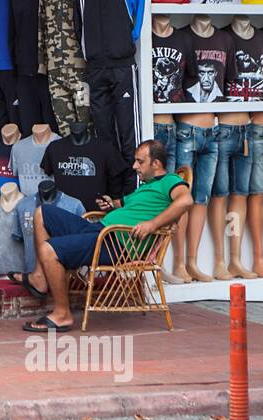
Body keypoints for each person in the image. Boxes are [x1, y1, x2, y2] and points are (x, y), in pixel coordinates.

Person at [22, 139, 193, 332]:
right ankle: (40, 278)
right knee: (43, 212)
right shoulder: (145, 187)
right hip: (100, 231)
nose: (134, 166)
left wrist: (152, 224)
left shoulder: (171, 181)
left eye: (140, 161)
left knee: (49, 249)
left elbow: (186, 201)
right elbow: (125, 205)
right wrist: (111, 204)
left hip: (117, 244)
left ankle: (62, 314)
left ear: (156, 164)